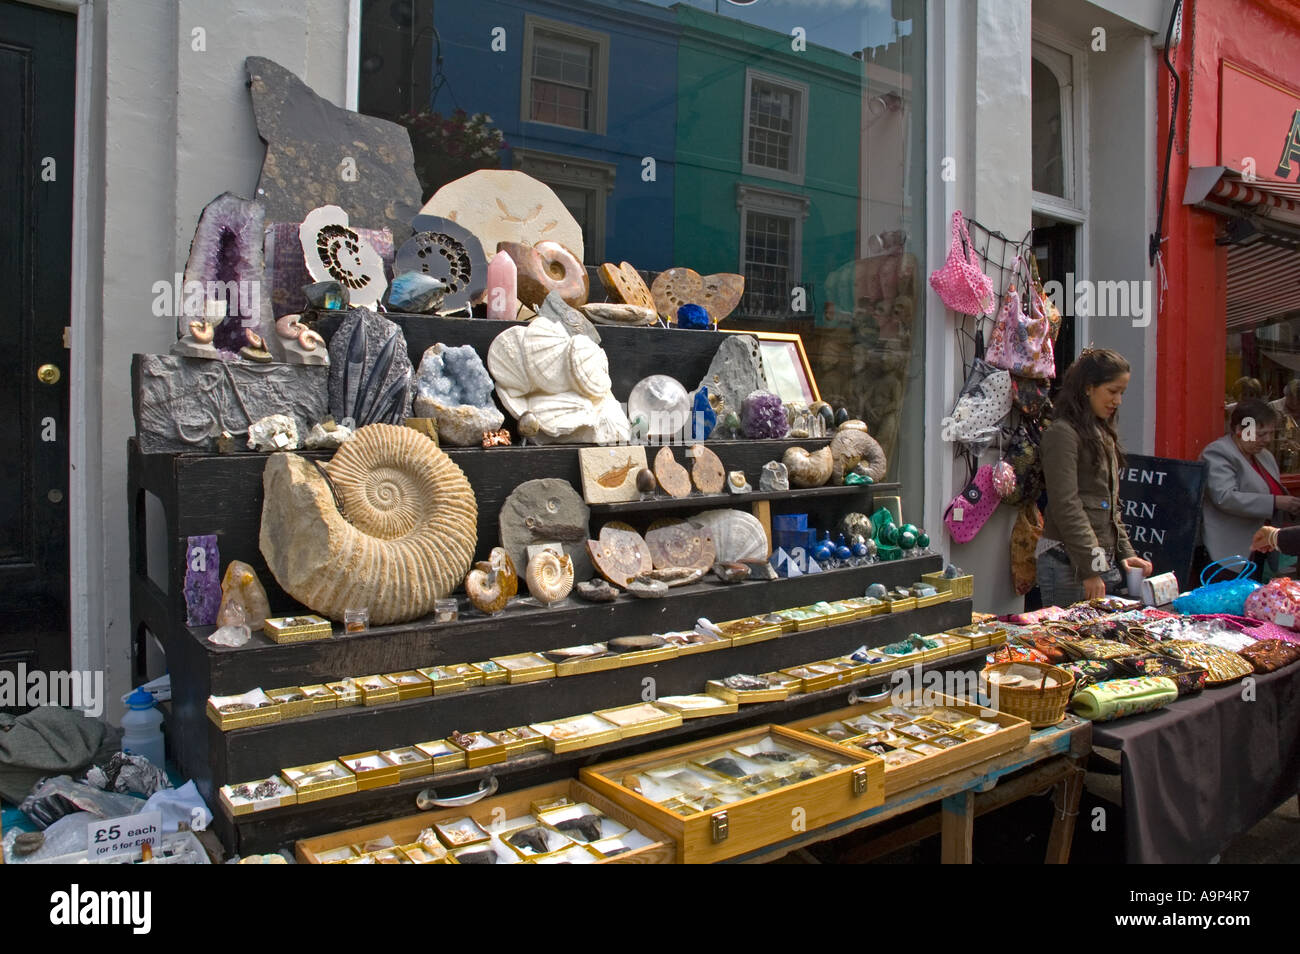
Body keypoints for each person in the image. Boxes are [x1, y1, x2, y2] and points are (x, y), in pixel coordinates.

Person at [1037, 349, 1152, 605]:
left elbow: (1109, 506)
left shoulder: (1101, 432)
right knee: (1066, 642)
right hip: (1068, 565)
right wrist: (1091, 568)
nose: (1118, 401)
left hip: (1098, 563)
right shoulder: (1063, 433)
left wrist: (1126, 552)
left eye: (1122, 393)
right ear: (1089, 387)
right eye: (1112, 391)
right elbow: (1066, 505)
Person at [1200, 400, 1300, 563]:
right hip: (1232, 548)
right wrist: (1275, 502)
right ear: (1240, 430)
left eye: (1270, 433)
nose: (1267, 440)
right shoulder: (1218, 452)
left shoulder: (1264, 455)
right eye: (1260, 434)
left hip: (1262, 546)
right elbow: (1224, 497)